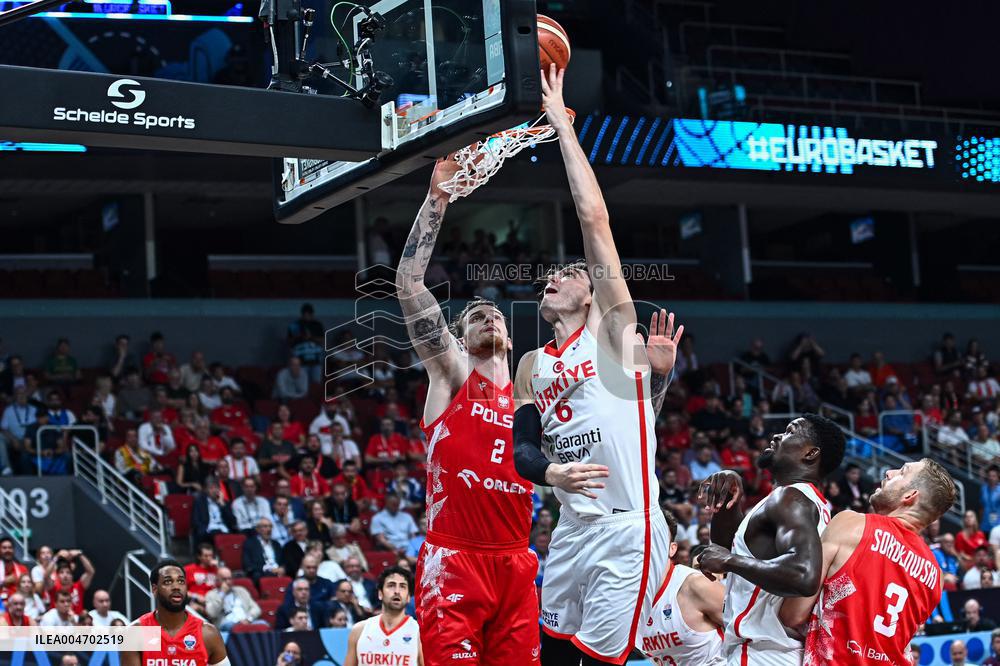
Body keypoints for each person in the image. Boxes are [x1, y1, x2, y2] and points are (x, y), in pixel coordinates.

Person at [511, 65, 680, 666]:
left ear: (592, 294)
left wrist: (560, 127)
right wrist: (551, 477)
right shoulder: (530, 363)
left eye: (569, 272)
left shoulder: (612, 331)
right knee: (551, 653)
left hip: (626, 531)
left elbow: (594, 221)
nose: (554, 276)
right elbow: (523, 450)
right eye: (549, 275)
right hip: (571, 529)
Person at [396, 156, 544, 665]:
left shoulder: (532, 396)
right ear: (458, 338)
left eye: (495, 314)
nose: (489, 319)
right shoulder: (453, 376)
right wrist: (437, 199)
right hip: (455, 557)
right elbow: (410, 287)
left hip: (517, 560)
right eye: (476, 316)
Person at [698, 413, 845, 666]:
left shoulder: (791, 498)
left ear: (810, 454)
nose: (777, 435)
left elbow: (803, 575)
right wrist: (729, 504)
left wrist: (730, 561)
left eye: (790, 431)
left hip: (762, 652)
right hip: (777, 653)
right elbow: (734, 546)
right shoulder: (808, 503)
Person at [779, 459, 955, 666]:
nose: (889, 472)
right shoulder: (935, 576)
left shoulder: (851, 524)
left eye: (902, 472)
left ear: (910, 496)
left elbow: (792, 615)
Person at [636, 510, 724, 665]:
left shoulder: (696, 585)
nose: (649, 545)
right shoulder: (628, 598)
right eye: (643, 539)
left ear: (672, 548)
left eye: (657, 539)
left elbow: (751, 631)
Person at [121, 559, 229, 666]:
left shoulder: (207, 633)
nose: (176, 587)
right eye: (168, 582)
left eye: (181, 581)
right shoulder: (136, 632)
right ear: (154, 589)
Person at [345, 566, 423, 666]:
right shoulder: (359, 630)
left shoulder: (418, 633)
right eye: (391, 585)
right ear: (380, 593)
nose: (397, 591)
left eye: (402, 586)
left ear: (408, 597)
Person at [205, 567, 268, 631]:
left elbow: (256, 609)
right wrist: (222, 594)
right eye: (224, 579)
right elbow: (212, 613)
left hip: (245, 621)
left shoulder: (241, 591)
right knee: (232, 626)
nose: (228, 582)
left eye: (229, 578)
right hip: (227, 624)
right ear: (217, 580)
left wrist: (248, 619)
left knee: (263, 623)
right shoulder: (211, 595)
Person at [242, 517, 286, 584]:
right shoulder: (250, 544)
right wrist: (268, 569)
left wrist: (282, 568)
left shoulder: (276, 544)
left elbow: (283, 561)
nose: (269, 529)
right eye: (265, 527)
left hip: (278, 571)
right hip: (262, 573)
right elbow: (248, 565)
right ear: (258, 529)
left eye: (270, 527)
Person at [192, 478, 235, 544]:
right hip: (208, 531)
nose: (214, 490)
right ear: (206, 490)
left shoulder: (224, 502)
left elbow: (232, 521)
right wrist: (203, 530)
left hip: (224, 531)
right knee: (215, 534)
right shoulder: (200, 502)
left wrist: (222, 505)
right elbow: (196, 520)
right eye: (211, 488)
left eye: (216, 488)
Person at [51, 552, 95, 617]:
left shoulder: (79, 586)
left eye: (68, 572)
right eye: (61, 572)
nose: (65, 575)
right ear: (57, 575)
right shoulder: (53, 588)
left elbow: (90, 572)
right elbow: (45, 576)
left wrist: (80, 555)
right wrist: (56, 556)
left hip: (77, 622)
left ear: (72, 575)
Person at [184, 543, 219, 612]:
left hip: (213, 601)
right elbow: (181, 590)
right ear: (199, 556)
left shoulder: (216, 570)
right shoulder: (188, 569)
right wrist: (195, 596)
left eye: (211, 556)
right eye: (206, 556)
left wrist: (218, 567)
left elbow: (226, 583)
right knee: (193, 608)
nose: (209, 558)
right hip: (196, 600)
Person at [982, 465, 1000, 535]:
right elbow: (982, 507)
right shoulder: (983, 489)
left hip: (997, 525)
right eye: (989, 476)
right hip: (985, 525)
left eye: (993, 476)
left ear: (998, 477)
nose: (991, 478)